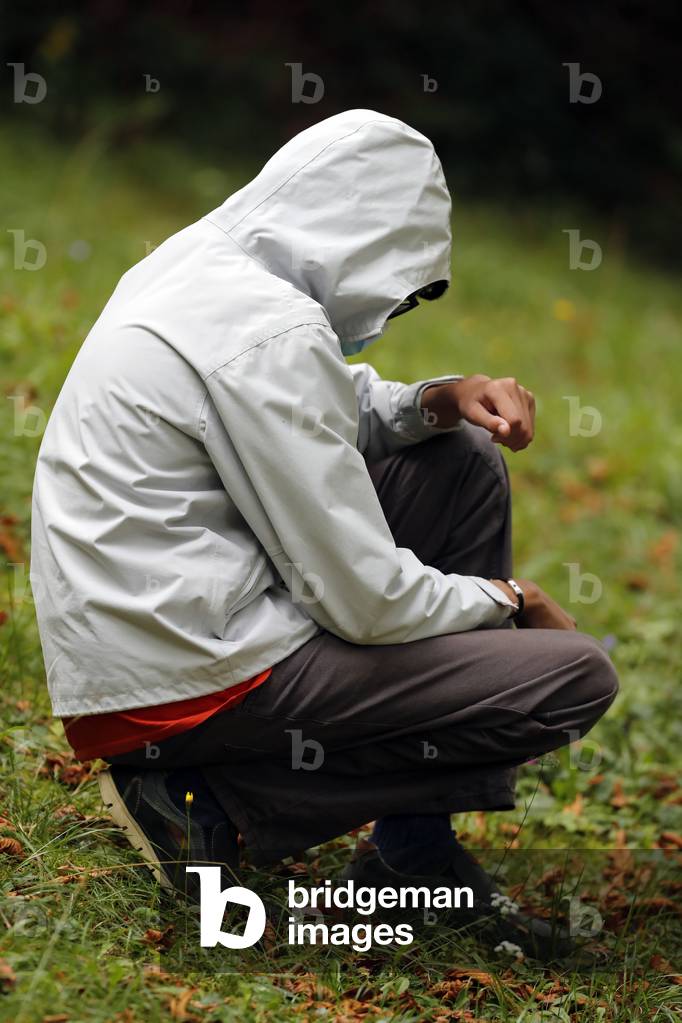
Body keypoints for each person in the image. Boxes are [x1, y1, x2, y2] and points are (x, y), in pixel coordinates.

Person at [31, 109, 618, 956]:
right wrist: (509, 600)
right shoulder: (265, 332)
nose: (398, 308)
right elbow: (366, 601)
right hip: (183, 678)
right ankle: (211, 801)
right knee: (572, 676)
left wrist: (440, 397)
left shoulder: (205, 271)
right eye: (406, 286)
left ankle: (414, 852)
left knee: (460, 460)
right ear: (365, 245)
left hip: (146, 640)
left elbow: (316, 401)